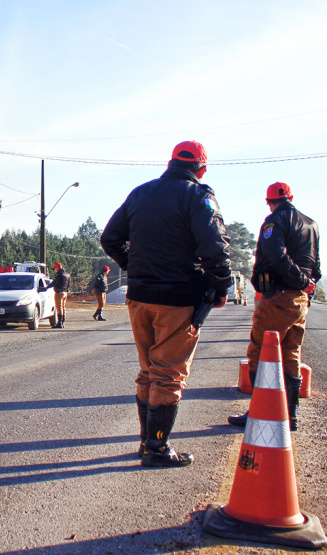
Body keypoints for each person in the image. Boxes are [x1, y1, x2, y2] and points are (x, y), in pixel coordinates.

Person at [101, 140, 231, 468]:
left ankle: (147, 443)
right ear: (201, 168)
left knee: (148, 371)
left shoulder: (141, 192)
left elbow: (109, 238)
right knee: (168, 375)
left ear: (171, 161)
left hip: (139, 295)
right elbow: (214, 249)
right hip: (178, 298)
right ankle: (156, 450)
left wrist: (133, 265)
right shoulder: (198, 195)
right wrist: (220, 286)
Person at [228, 182, 320, 431]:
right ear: (291, 197)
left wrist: (298, 280)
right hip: (299, 299)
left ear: (269, 201)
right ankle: (290, 416)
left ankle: (260, 413)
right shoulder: (311, 224)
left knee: (260, 352)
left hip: (277, 297)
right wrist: (307, 284)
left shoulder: (274, 221)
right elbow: (316, 265)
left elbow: (275, 255)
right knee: (291, 355)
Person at [50, 262, 71, 328]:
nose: (55, 270)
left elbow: (55, 282)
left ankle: (59, 323)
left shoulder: (59, 273)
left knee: (59, 308)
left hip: (59, 292)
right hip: (65, 292)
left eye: (55, 268)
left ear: (58, 267)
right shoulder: (67, 274)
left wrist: (47, 287)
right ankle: (63, 322)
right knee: (63, 307)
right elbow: (68, 284)